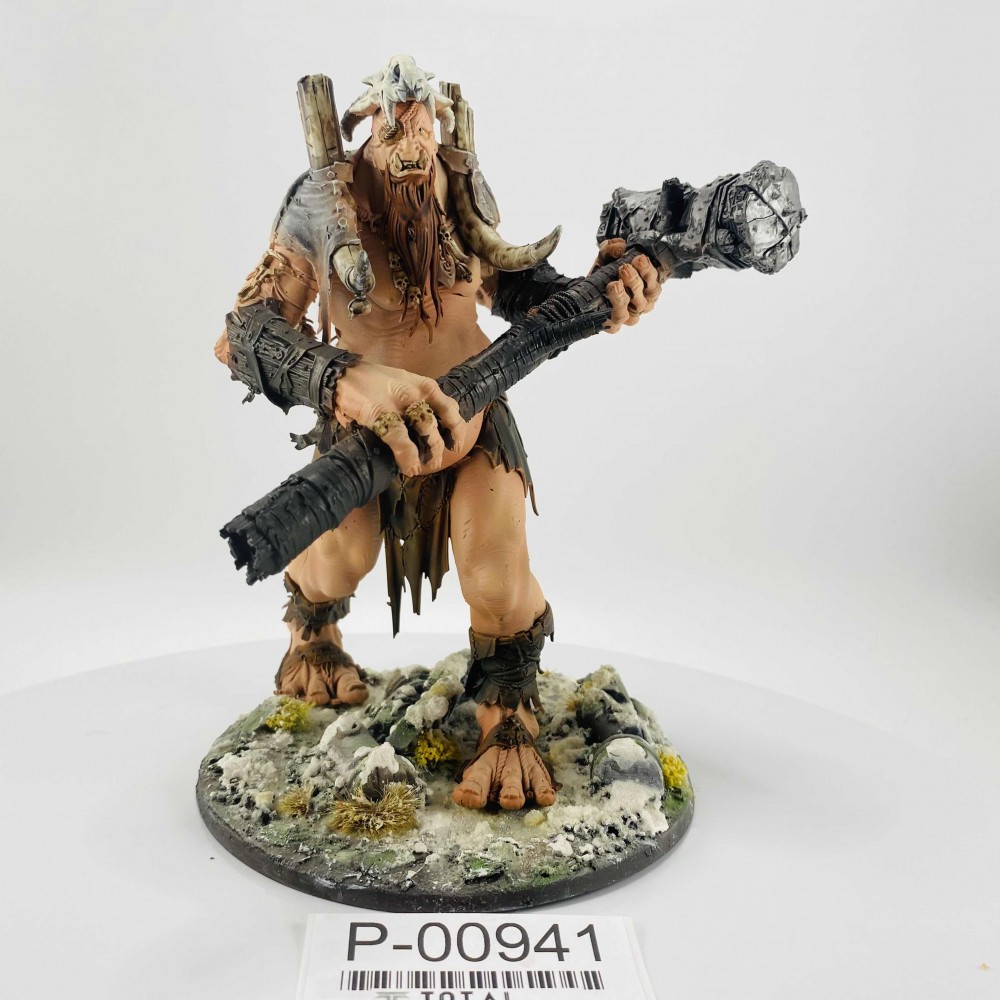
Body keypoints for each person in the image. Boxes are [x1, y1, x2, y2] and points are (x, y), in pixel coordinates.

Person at [214, 57, 662, 811]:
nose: (413, 147)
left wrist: (603, 289)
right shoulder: (322, 206)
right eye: (396, 130)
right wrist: (345, 382)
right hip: (366, 435)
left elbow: (512, 287)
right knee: (336, 564)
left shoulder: (454, 189)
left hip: (472, 420)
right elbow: (240, 336)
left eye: (424, 129)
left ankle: (507, 722)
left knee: (497, 578)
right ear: (368, 128)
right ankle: (312, 637)